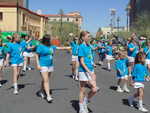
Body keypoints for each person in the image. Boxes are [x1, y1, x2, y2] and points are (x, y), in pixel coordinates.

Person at [35, 34, 71, 103]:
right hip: (43, 65)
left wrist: (67, 47)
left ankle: (41, 91)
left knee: (45, 79)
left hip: (50, 65)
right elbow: (36, 55)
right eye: (51, 39)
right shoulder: (40, 46)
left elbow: (59, 48)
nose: (52, 40)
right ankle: (48, 96)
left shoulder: (51, 46)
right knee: (46, 80)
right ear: (47, 40)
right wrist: (38, 64)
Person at [78, 31, 98, 113]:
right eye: (88, 36)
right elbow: (82, 62)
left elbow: (89, 57)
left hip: (90, 70)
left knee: (94, 89)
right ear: (83, 37)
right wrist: (89, 72)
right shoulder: (81, 47)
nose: (90, 38)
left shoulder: (89, 46)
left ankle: (85, 102)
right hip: (83, 71)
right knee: (83, 90)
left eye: (90, 36)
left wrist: (93, 63)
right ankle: (81, 107)